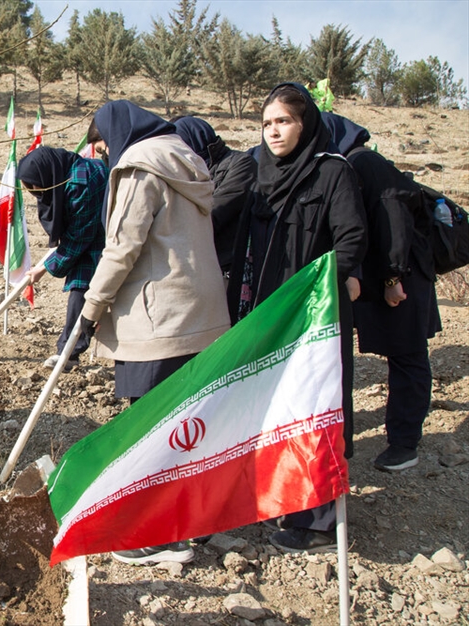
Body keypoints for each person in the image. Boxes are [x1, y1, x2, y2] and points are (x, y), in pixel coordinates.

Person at [81, 100, 231, 565]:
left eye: (102, 146)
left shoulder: (138, 167)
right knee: (188, 423)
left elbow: (123, 246)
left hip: (158, 319)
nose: (104, 155)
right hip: (200, 315)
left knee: (150, 426)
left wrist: (90, 308)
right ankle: (195, 520)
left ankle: (154, 535)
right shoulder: (187, 162)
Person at [227, 84, 367, 553]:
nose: (274, 131)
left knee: (313, 408)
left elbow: (351, 240)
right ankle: (284, 499)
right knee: (275, 408)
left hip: (313, 316)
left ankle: (320, 520)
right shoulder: (257, 175)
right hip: (265, 315)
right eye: (267, 123)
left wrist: (318, 288)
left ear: (305, 124)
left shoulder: (332, 173)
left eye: (283, 121)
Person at [321, 111, 441, 472]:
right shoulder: (349, 163)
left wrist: (392, 278)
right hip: (385, 274)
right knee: (398, 350)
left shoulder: (364, 162)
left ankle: (405, 444)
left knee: (407, 354)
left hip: (401, 276)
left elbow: (394, 216)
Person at [18, 146, 108, 371]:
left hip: (104, 239)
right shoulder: (63, 172)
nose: (37, 194)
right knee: (80, 289)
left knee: (82, 289)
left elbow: (80, 236)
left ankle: (70, 351)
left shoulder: (81, 184)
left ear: (48, 174)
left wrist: (45, 268)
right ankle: (69, 350)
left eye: (38, 187)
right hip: (89, 233)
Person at [172, 116, 257, 278]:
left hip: (227, 266)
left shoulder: (241, 164)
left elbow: (216, 212)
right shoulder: (186, 171)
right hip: (197, 265)